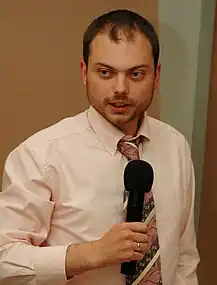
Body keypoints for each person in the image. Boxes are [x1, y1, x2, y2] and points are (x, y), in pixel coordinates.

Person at [0, 9, 199, 285]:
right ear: (84, 72)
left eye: (136, 74)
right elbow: (4, 260)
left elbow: (184, 257)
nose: (120, 88)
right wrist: (91, 254)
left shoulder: (175, 146)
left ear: (157, 75)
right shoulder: (41, 155)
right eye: (105, 72)